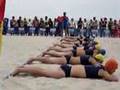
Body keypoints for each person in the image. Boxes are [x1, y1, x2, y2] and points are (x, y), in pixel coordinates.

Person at [11, 58, 119, 82]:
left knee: (43, 70)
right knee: (42, 71)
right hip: (66, 72)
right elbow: (113, 79)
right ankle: (20, 69)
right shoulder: (103, 71)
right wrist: (115, 77)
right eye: (114, 69)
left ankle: (22, 68)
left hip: (67, 69)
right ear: (110, 67)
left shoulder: (99, 66)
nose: (114, 71)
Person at [26, 53, 104, 65]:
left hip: (69, 59)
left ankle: (37, 58)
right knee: (50, 61)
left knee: (51, 59)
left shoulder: (90, 57)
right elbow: (96, 65)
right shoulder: (92, 59)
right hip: (67, 60)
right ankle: (33, 59)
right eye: (101, 61)